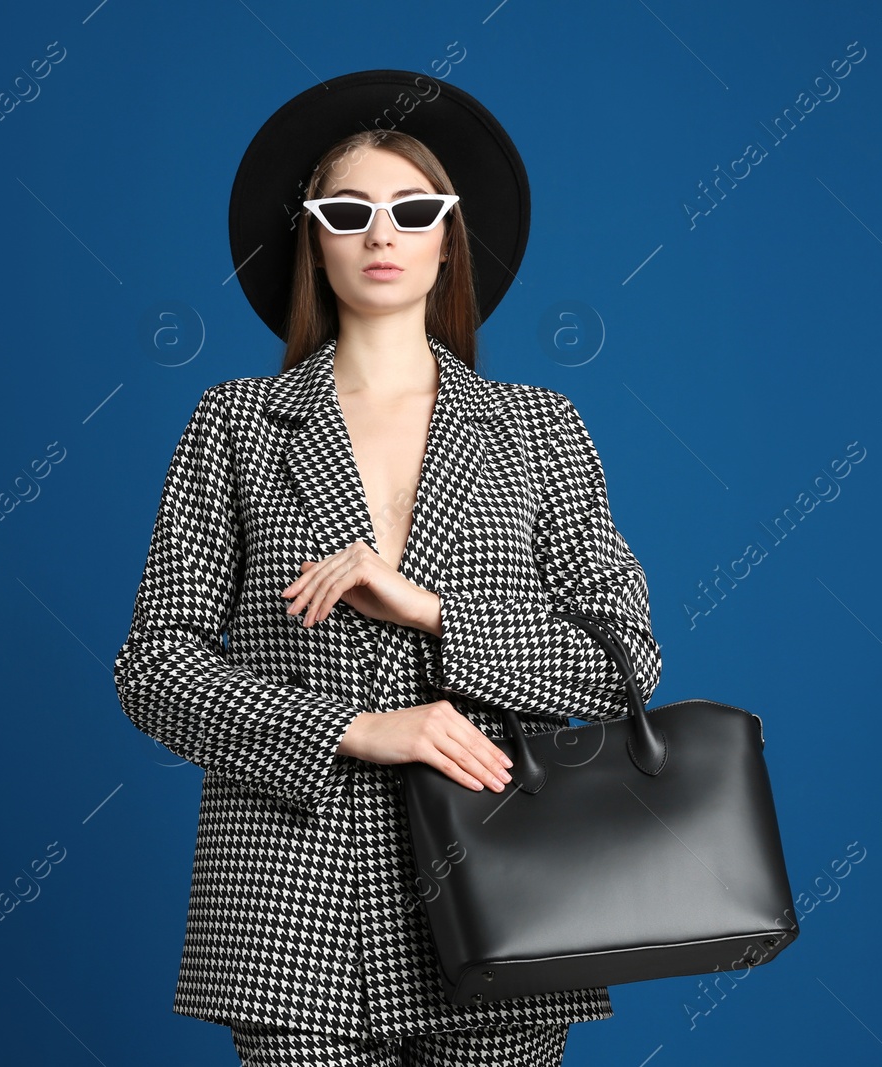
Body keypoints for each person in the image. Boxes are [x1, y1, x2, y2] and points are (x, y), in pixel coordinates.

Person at [114, 70, 661, 1067]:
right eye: (348, 210)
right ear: (311, 237)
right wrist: (355, 728)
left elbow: (621, 660)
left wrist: (434, 609)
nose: (381, 233)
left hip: (505, 884)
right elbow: (155, 666)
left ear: (448, 235)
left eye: (412, 209)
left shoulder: (539, 428)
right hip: (293, 906)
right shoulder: (235, 423)